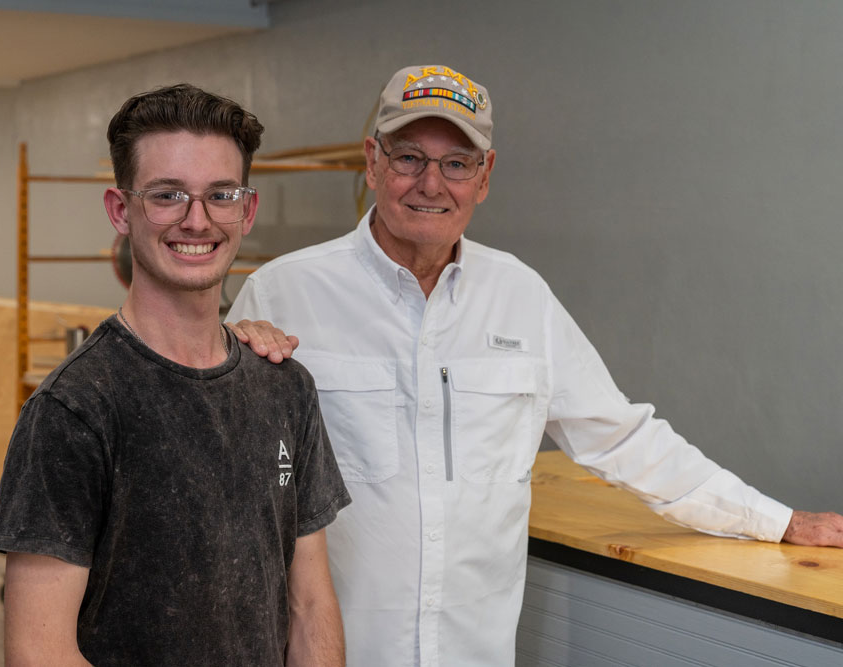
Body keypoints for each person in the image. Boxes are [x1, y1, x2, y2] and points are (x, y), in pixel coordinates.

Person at [226, 64, 843, 666]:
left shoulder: (521, 297)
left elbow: (622, 436)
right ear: (373, 160)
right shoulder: (284, 294)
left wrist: (777, 520)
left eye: (457, 163)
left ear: (485, 175)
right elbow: (227, 490)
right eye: (409, 157)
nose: (431, 184)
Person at [0, 84, 351, 667]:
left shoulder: (285, 388)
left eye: (220, 194)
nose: (196, 220)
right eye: (167, 194)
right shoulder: (75, 409)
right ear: (119, 209)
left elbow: (309, 604)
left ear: (247, 209)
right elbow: (39, 652)